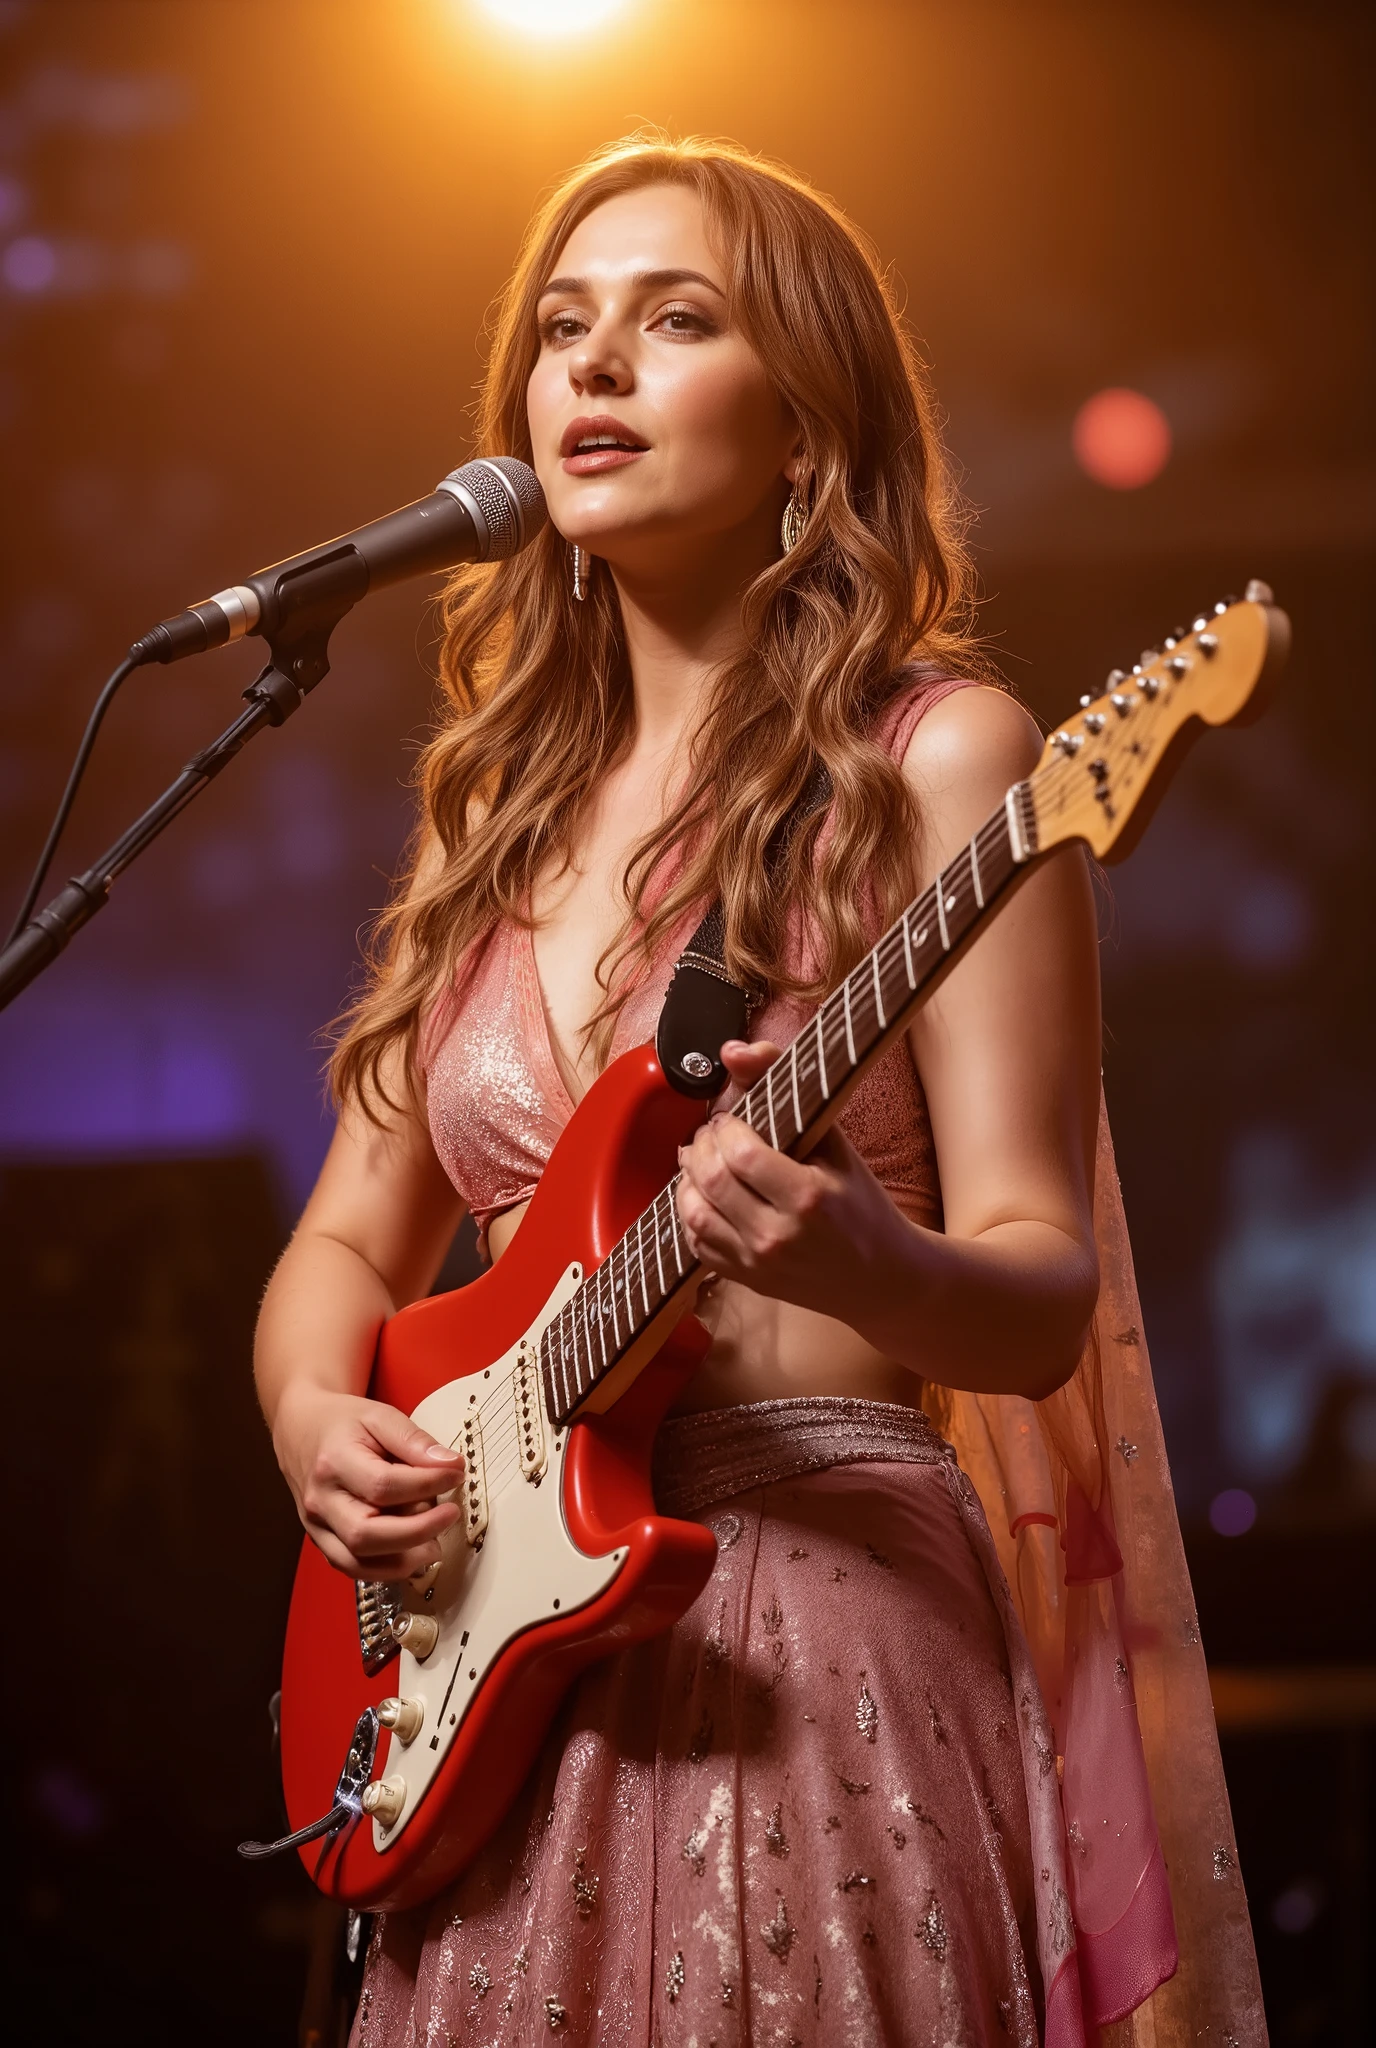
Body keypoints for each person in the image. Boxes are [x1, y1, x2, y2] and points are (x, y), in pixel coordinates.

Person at [254, 137, 1263, 2047]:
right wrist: (318, 1423)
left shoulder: (946, 761)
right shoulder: (496, 818)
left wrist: (869, 1258)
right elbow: (339, 1246)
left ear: (808, 429)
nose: (595, 370)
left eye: (675, 321)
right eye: (564, 333)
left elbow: (1042, 1287)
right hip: (491, 1683)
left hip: (815, 1643)